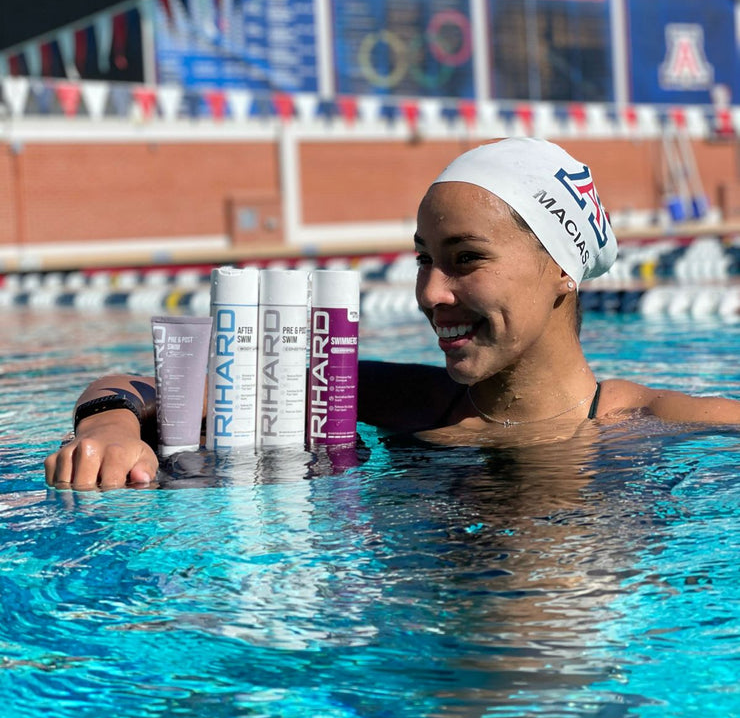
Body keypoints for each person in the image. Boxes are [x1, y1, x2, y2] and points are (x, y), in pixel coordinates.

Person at [45, 137, 740, 490]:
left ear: (562, 267)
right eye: (422, 259)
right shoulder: (403, 400)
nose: (430, 292)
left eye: (465, 258)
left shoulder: (651, 423)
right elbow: (137, 385)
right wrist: (108, 432)